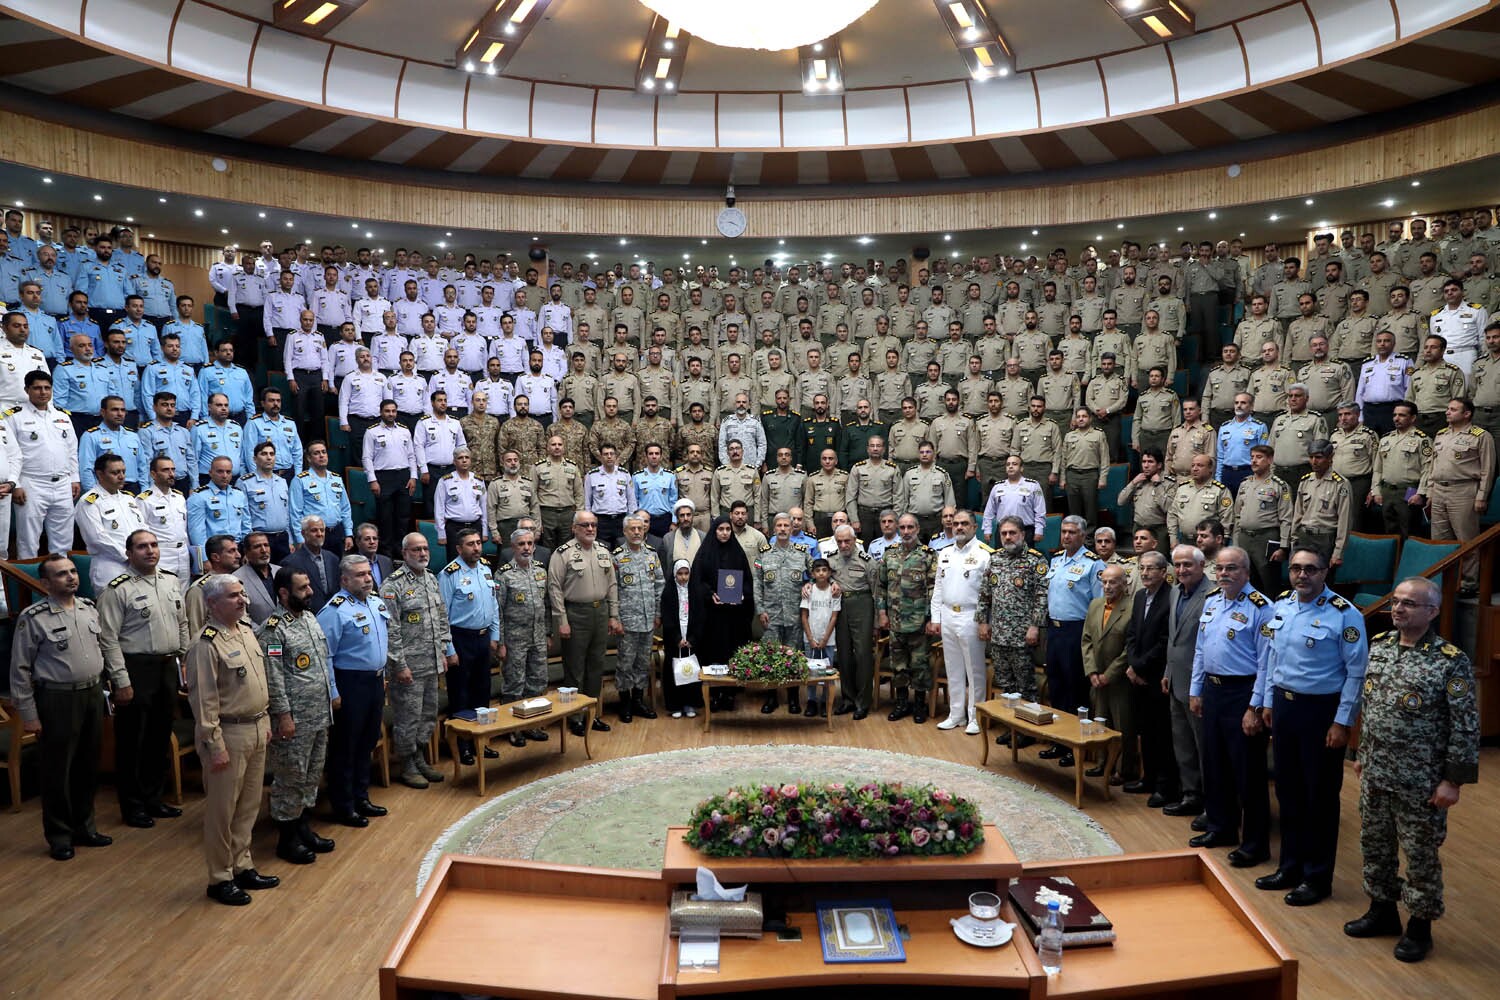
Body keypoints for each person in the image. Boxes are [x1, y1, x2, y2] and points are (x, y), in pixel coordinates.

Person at [1346, 577, 1479, 963]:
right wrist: (1362, 753)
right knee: (1375, 846)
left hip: (1421, 781)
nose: (1399, 609)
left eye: (1410, 604)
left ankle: (1420, 926)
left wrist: (1452, 780)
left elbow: (1466, 724)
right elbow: (1372, 709)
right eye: (1396, 602)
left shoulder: (1449, 660)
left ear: (1432, 612)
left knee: (1420, 856)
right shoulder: (1381, 647)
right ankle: (1381, 911)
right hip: (1376, 771)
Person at [1253, 547, 1366, 907]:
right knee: (1288, 792)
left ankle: (1317, 877)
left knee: (1319, 796)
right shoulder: (1281, 605)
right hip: (1285, 709)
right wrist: (1268, 702)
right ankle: (1290, 867)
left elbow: (1356, 673)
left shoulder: (1345, 615)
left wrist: (1342, 722)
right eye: (1297, 569)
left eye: (1311, 570)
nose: (1302, 575)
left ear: (1324, 573)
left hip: (1322, 713)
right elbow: (1272, 658)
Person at [10, 554, 128, 861]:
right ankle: (60, 835)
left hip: (91, 694)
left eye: (73, 571)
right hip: (56, 699)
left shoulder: (89, 609)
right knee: (57, 770)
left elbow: (105, 647)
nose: (72, 577)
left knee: (88, 766)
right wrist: (29, 715)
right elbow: (20, 671)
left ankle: (84, 827)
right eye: (62, 574)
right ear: (46, 583)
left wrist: (117, 681)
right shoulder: (33, 618)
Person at [185, 573, 278, 905]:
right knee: (222, 813)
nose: (242, 600)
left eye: (243, 594)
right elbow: (204, 701)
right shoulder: (205, 644)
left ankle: (242, 865)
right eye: (233, 596)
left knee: (248, 806)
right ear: (212, 604)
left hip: (255, 727)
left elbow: (258, 681)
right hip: (228, 733)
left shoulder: (246, 632)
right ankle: (220, 877)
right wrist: (214, 744)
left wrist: (265, 721)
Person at [1189, 546, 1274, 869]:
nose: (1224, 573)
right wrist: (1196, 690)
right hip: (1213, 690)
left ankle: (1255, 844)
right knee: (1215, 764)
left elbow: (1267, 663)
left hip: (1243, 693)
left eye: (1232, 569)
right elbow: (1201, 650)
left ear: (1247, 573)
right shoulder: (1212, 602)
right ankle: (1221, 828)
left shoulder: (1262, 608)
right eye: (1220, 568)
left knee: (1248, 773)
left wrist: (1255, 706)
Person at [97, 530, 186, 829]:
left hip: (166, 667)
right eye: (142, 547)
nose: (150, 551)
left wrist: (183, 658)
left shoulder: (171, 580)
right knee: (132, 741)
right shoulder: (117, 589)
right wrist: (120, 680)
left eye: (154, 545)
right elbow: (108, 638)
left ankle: (153, 798)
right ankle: (132, 805)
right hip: (135, 668)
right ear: (129, 554)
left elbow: (182, 622)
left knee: (158, 736)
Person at [257, 568, 339, 865]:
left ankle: (303, 828)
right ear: (283, 593)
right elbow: (274, 677)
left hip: (318, 713)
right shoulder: (273, 629)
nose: (310, 592)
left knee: (311, 775)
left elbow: (321, 663)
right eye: (303, 588)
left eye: (308, 586)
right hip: (293, 720)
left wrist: (331, 695)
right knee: (290, 778)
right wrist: (283, 715)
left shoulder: (309, 618)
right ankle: (286, 839)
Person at [315, 555, 394, 828]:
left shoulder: (376, 602)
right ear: (344, 580)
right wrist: (334, 692)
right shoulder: (334, 610)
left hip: (374, 682)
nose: (367, 578)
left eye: (368, 574)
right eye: (360, 575)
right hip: (349, 684)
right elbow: (325, 656)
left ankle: (361, 797)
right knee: (346, 747)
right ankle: (343, 805)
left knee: (367, 743)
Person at [380, 532, 455, 785]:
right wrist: (399, 665)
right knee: (408, 717)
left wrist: (444, 651)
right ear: (404, 554)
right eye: (416, 550)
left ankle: (420, 756)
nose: (422, 553)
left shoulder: (431, 579)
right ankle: (408, 763)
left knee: (428, 715)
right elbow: (391, 631)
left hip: (432, 662)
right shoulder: (393, 586)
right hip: (408, 667)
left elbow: (442, 618)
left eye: (425, 549)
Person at [549, 511, 621, 733]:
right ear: (574, 528)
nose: (590, 529)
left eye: (594, 525)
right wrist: (562, 619)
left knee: (595, 667)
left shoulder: (603, 551)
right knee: (575, 668)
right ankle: (575, 716)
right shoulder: (563, 554)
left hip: (600, 612)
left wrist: (613, 615)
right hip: (575, 614)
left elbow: (612, 584)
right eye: (585, 525)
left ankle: (592, 714)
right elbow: (554, 588)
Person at [977, 515, 1048, 738]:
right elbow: (984, 594)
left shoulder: (1036, 561)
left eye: (1012, 533)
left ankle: (1026, 731)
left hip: (1022, 635)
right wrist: (982, 621)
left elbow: (1042, 597)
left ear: (1022, 534)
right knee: (1006, 685)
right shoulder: (995, 559)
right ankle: (1011, 727)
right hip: (998, 634)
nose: (1008, 537)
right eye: (1004, 533)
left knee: (1026, 685)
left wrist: (1035, 626)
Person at [1042, 515, 1103, 766]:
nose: (1066, 536)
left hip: (1076, 631)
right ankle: (1059, 740)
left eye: (1071, 532)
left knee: (1074, 689)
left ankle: (1075, 746)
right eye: (1064, 532)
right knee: (1056, 687)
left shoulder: (1093, 564)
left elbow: (1099, 605)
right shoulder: (1056, 560)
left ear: (1083, 536)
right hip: (1054, 630)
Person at [1419, 397, 1495, 595]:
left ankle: (1469, 584)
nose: (1447, 412)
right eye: (1447, 409)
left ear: (1467, 413)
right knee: (1439, 541)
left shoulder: (1480, 436)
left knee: (1466, 540)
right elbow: (1433, 466)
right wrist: (1430, 491)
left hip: (1464, 490)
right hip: (1439, 490)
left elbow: (1488, 469)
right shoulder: (1441, 434)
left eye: (1453, 409)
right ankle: (1442, 581)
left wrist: (1482, 496)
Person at [4, 369, 80, 558]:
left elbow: (71, 450)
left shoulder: (62, 416)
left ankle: (60, 582)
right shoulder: (14, 416)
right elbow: (9, 454)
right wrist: (17, 485)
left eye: (47, 388)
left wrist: (74, 479)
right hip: (31, 483)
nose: (43, 392)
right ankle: (28, 587)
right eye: (37, 388)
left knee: (63, 540)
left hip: (62, 483)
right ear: (27, 389)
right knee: (28, 540)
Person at [440, 529, 500, 762]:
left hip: (483, 638)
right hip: (460, 639)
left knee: (482, 692)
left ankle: (480, 742)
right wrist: (449, 650)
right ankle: (463, 745)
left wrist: (494, 635)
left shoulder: (485, 568)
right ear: (459, 548)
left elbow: (493, 605)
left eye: (478, 543)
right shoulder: (449, 574)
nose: (476, 548)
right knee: (461, 694)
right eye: (470, 544)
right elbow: (442, 615)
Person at [929, 509, 991, 735]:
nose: (959, 527)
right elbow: (937, 588)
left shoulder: (985, 555)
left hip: (971, 616)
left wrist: (985, 621)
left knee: (974, 670)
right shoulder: (944, 553)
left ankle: (975, 716)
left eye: (964, 524)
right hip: (947, 615)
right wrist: (935, 617)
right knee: (953, 667)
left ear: (974, 527)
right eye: (955, 524)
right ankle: (956, 714)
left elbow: (988, 595)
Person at [688, 516, 756, 712]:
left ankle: (729, 694)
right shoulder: (705, 553)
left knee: (731, 654)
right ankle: (714, 694)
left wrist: (742, 594)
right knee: (713, 654)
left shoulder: (737, 552)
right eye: (721, 529)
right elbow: (697, 581)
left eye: (728, 529)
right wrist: (710, 595)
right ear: (714, 531)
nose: (725, 532)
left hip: (734, 617)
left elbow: (747, 581)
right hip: (712, 618)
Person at [1124, 551, 1176, 804]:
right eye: (1142, 568)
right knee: (1144, 730)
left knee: (1161, 733)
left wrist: (1140, 668)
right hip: (1137, 676)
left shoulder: (1171, 598)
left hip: (1157, 678)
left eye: (1150, 569)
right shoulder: (1139, 595)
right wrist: (1133, 666)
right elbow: (1132, 633)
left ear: (1163, 572)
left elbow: (1165, 643)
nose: (1144, 573)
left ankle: (1164, 786)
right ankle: (1148, 778)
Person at [494, 528, 551, 743]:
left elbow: (545, 605)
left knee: (537, 682)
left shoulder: (540, 571)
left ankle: (532, 724)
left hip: (537, 636)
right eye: (521, 544)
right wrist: (500, 642)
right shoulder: (504, 575)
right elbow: (497, 611)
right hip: (514, 638)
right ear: (513, 547)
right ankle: (513, 729)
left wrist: (547, 631)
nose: (526, 548)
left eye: (529, 543)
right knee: (514, 684)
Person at [878, 513, 937, 723]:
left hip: (919, 622)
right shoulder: (889, 555)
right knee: (899, 665)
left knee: (920, 666)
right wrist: (882, 613)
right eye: (902, 528)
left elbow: (933, 590)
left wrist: (932, 619)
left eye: (910, 527)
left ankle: (919, 705)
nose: (905, 532)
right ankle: (902, 703)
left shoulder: (928, 556)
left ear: (918, 529)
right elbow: (881, 586)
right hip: (895, 621)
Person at [1082, 565, 1136, 782]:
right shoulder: (1095, 605)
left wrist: (1109, 674)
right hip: (1097, 677)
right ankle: (1102, 763)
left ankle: (1124, 770)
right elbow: (1086, 640)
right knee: (1099, 722)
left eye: (1113, 582)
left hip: (1119, 679)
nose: (1107, 586)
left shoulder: (1132, 608)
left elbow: (1129, 649)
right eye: (1104, 582)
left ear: (1124, 583)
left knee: (1123, 726)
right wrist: (1092, 671)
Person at [753, 513, 812, 714]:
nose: (784, 529)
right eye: (779, 525)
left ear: (792, 527)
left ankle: (793, 698)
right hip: (771, 614)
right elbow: (757, 584)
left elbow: (818, 573)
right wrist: (760, 610)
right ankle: (771, 698)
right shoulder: (764, 553)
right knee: (769, 656)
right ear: (774, 528)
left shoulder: (802, 552)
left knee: (793, 657)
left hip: (795, 615)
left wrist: (809, 584)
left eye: (787, 525)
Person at [613, 513, 664, 723]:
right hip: (627, 620)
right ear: (625, 532)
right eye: (632, 529)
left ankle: (638, 700)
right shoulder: (616, 557)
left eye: (640, 529)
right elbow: (612, 590)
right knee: (626, 663)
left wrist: (658, 613)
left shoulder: (652, 554)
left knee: (643, 663)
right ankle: (624, 702)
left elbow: (660, 584)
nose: (636, 532)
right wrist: (615, 618)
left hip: (648, 619)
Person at [75, 453, 148, 594]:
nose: (121, 476)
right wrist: (130, 557)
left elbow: (143, 529)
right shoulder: (89, 502)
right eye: (115, 473)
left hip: (138, 565)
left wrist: (142, 555)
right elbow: (97, 538)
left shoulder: (129, 499)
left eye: (123, 472)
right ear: (100, 474)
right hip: (110, 567)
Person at [826, 523, 878, 717]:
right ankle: (847, 698)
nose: (844, 545)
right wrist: (832, 583)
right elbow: (825, 577)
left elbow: (876, 592)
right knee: (844, 654)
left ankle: (863, 702)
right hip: (841, 607)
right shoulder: (831, 559)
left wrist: (876, 621)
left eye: (847, 541)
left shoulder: (867, 561)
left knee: (863, 654)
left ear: (855, 540)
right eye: (840, 541)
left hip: (862, 605)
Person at [659, 559, 703, 719]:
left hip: (692, 640)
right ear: (674, 574)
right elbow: (668, 618)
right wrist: (677, 638)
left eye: (686, 573)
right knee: (674, 673)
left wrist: (692, 638)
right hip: (674, 641)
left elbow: (700, 617)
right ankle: (675, 705)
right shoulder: (668, 592)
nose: (683, 577)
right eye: (680, 574)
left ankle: (690, 703)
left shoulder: (696, 591)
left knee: (691, 672)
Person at [800, 558, 840, 714]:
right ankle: (811, 700)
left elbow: (834, 617)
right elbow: (804, 616)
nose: (821, 573)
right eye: (818, 570)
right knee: (810, 671)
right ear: (813, 574)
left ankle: (824, 701)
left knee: (826, 671)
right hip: (810, 639)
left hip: (828, 640)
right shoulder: (808, 590)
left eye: (824, 570)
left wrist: (824, 639)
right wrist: (810, 638)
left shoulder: (834, 591)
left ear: (829, 572)